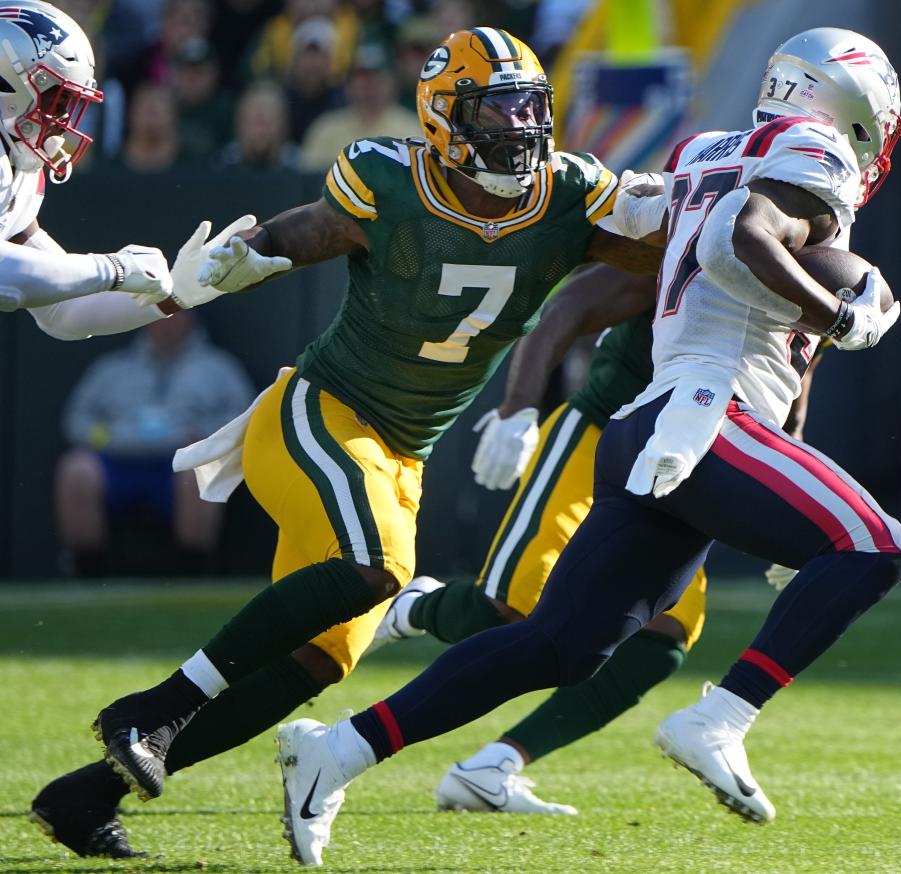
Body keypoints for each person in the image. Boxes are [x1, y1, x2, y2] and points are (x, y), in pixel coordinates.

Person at [258, 26, 901, 862]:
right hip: (706, 418)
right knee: (876, 545)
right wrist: (842, 316)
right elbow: (737, 237)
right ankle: (723, 716)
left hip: (658, 425)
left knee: (558, 647)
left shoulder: (710, 148)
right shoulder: (810, 151)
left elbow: (673, 228)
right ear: (853, 103)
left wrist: (801, 423)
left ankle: (336, 751)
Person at [31, 26, 661, 861]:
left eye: (527, 104)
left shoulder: (569, 193)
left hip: (401, 455)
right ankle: (151, 708)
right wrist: (249, 253)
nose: (517, 124)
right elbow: (313, 229)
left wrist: (708, 212)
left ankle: (86, 796)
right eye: (495, 106)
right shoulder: (393, 182)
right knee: (378, 568)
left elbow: (665, 252)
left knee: (321, 659)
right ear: (443, 120)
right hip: (321, 415)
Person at [369, 252, 825, 815]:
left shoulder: (821, 272)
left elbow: (793, 385)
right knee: (509, 609)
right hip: (603, 434)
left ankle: (495, 766)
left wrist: (790, 494)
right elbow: (567, 306)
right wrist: (518, 408)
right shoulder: (700, 240)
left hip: (683, 466)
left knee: (664, 636)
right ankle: (423, 607)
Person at [0, 1, 247, 342]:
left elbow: (63, 313)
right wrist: (113, 270)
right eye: (56, 101)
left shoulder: (17, 171)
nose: (63, 121)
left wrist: (179, 293)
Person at [56, 311, 254, 576]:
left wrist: (204, 436)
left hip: (179, 463)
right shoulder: (112, 368)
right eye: (160, 317)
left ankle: (193, 575)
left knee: (200, 473)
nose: (167, 324)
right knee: (76, 470)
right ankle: (87, 573)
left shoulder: (218, 368)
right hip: (117, 462)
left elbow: (243, 416)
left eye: (175, 317)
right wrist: (107, 438)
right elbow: (77, 419)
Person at [298, 41, 421, 172]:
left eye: (374, 78)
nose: (366, 85)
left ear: (390, 83)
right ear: (348, 85)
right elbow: (309, 181)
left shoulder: (411, 129)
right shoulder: (326, 129)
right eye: (359, 78)